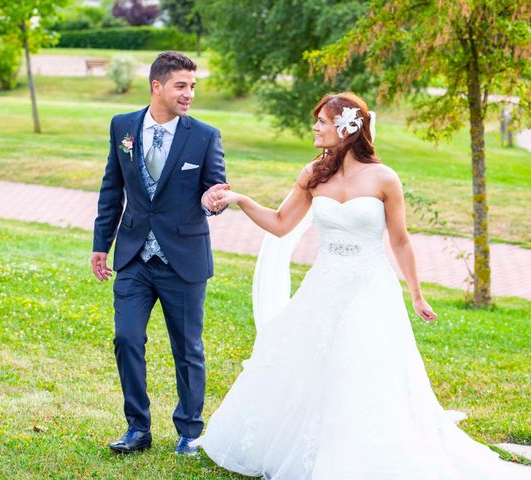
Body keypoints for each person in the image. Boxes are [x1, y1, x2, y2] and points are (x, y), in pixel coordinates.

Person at [199, 92, 531, 478]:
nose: (315, 127)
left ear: (347, 128)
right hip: (325, 284)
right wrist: (239, 198)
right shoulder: (313, 173)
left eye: (322, 121)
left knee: (361, 366)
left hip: (371, 287)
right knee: (311, 364)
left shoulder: (384, 178)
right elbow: (279, 223)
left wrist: (417, 294)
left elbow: (401, 241)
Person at [91, 51, 229, 456]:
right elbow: (111, 189)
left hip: (183, 260)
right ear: (157, 86)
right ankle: (138, 428)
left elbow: (214, 188)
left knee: (187, 349)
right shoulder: (123, 127)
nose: (189, 94)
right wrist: (102, 244)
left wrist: (213, 200)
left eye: (193, 87)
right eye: (181, 86)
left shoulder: (205, 135)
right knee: (126, 338)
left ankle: (189, 430)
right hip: (134, 256)